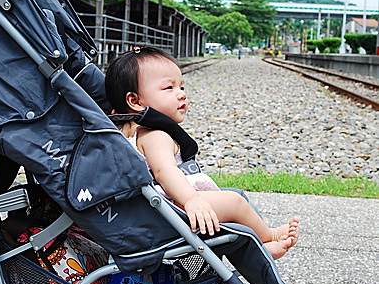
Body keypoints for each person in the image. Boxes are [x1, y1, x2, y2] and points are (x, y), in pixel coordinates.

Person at [105, 46, 299, 260]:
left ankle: (254, 246)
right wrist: (191, 200)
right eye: (169, 88)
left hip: (146, 210)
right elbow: (164, 170)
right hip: (168, 209)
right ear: (134, 101)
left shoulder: (123, 129)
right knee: (235, 202)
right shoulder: (154, 134)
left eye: (181, 86)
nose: (181, 95)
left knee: (227, 204)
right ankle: (267, 238)